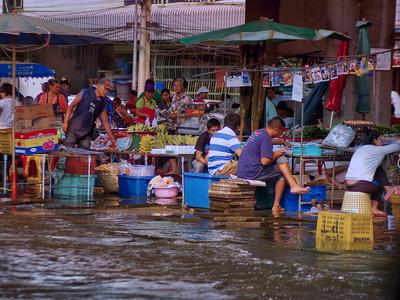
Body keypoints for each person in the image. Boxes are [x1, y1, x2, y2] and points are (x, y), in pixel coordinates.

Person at [237, 117, 311, 212]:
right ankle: (278, 204)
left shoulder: (259, 132)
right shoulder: (265, 137)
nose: (280, 135)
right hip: (251, 172)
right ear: (276, 129)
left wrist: (282, 142)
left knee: (279, 159)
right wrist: (276, 154)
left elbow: (268, 141)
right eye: (280, 132)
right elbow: (265, 161)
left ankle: (293, 186)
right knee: (282, 171)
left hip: (242, 170)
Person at [345, 129, 400, 217]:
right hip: (361, 185)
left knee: (378, 169)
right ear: (375, 140)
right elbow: (397, 147)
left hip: (349, 184)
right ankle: (375, 207)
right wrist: (383, 146)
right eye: (380, 139)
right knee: (380, 183)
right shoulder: (377, 150)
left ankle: (389, 191)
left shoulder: (360, 148)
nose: (381, 141)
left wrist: (381, 146)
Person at [62, 77, 116, 150]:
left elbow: (105, 122)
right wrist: (65, 123)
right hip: (73, 129)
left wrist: (112, 138)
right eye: (105, 88)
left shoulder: (103, 103)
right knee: (66, 154)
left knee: (84, 158)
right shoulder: (84, 93)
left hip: (87, 134)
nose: (106, 91)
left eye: (108, 90)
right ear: (98, 86)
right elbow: (70, 107)